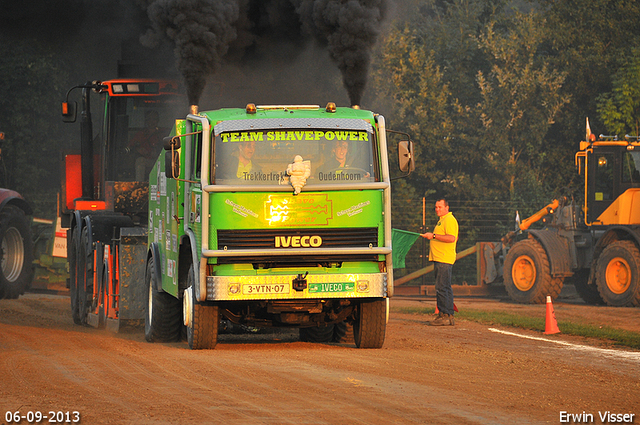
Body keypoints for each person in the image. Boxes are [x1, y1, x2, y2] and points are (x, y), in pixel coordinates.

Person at [421, 198, 459, 326]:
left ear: (446, 207)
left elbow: (451, 238)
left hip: (444, 258)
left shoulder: (449, 220)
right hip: (440, 258)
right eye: (436, 207)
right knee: (445, 287)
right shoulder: (441, 221)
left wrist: (434, 236)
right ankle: (447, 315)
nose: (437, 209)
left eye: (440, 207)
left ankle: (445, 315)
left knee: (442, 287)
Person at [127, 110, 164, 181]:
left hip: (160, 161)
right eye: (149, 119)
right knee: (140, 161)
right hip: (147, 160)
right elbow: (129, 147)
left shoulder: (162, 133)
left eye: (154, 119)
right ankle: (139, 184)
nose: (152, 121)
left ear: (158, 120)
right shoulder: (141, 134)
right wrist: (138, 150)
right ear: (146, 121)